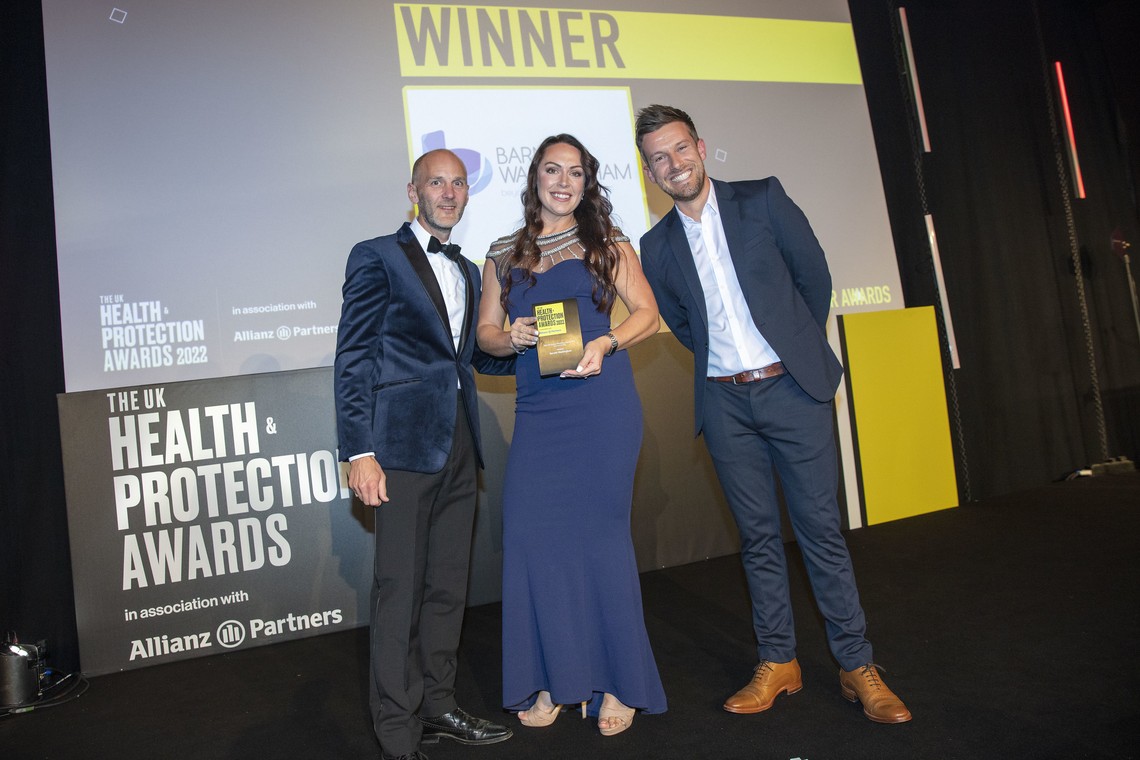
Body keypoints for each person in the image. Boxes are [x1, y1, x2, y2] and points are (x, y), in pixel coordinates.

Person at [634, 105, 912, 724]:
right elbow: (681, 322)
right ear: (649, 170)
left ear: (701, 148)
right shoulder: (654, 246)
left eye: (680, 149)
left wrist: (790, 353)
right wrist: (730, 367)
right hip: (725, 403)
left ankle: (857, 664)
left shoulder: (762, 199)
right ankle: (779, 661)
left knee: (820, 533)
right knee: (758, 539)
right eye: (658, 157)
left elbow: (814, 279)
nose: (673, 164)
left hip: (793, 391)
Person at [476, 134, 667, 737]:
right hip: (540, 412)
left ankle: (615, 681)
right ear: (534, 177)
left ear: (587, 184)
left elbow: (647, 313)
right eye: (553, 170)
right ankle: (555, 678)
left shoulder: (606, 244)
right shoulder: (503, 254)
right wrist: (514, 337)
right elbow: (485, 334)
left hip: (601, 408)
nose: (563, 181)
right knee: (533, 539)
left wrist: (607, 341)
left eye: (575, 173)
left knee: (601, 541)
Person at [334, 148, 516, 760]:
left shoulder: (466, 269)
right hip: (399, 450)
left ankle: (438, 706)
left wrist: (515, 340)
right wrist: (358, 450)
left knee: (446, 588)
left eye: (458, 183)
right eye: (435, 182)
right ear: (412, 189)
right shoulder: (376, 256)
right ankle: (396, 731)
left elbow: (469, 358)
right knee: (399, 591)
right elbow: (355, 357)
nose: (448, 193)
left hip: (460, 446)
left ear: (467, 194)